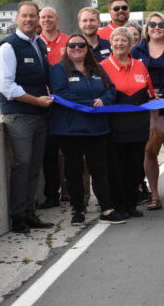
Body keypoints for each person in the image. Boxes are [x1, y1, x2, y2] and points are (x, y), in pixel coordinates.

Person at [49, 33, 125, 225]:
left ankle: (107, 209)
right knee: (73, 171)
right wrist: (90, 103)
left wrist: (104, 100)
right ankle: (77, 209)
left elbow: (112, 89)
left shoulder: (97, 68)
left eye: (81, 45)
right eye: (72, 45)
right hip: (70, 130)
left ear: (87, 48)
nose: (77, 48)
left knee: (99, 168)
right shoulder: (58, 69)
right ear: (66, 49)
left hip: (97, 128)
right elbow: (60, 93)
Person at [0, 1, 55, 233]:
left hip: (40, 114)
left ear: (38, 18)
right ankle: (18, 216)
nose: (29, 19)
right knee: (23, 163)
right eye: (24, 16)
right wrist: (36, 101)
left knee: (34, 166)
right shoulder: (8, 47)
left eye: (33, 16)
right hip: (19, 115)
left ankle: (30, 212)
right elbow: (6, 86)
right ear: (17, 18)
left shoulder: (39, 44)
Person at [100, 27, 155, 218]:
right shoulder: (102, 66)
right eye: (116, 40)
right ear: (111, 43)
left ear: (131, 43)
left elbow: (150, 94)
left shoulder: (140, 66)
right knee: (116, 167)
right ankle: (119, 205)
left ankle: (131, 203)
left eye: (124, 40)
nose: (120, 44)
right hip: (115, 126)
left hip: (138, 126)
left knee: (134, 167)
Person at [132, 12, 164, 210]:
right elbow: (130, 75)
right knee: (149, 151)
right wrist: (147, 94)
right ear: (146, 27)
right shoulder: (136, 50)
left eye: (161, 24)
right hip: (145, 105)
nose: (156, 27)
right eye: (152, 24)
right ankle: (154, 195)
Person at [38, 6, 67, 209]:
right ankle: (52, 194)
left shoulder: (69, 41)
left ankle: (74, 193)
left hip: (68, 105)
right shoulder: (35, 42)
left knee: (71, 152)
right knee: (49, 153)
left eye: (50, 16)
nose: (47, 20)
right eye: (43, 17)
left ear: (57, 18)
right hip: (45, 106)